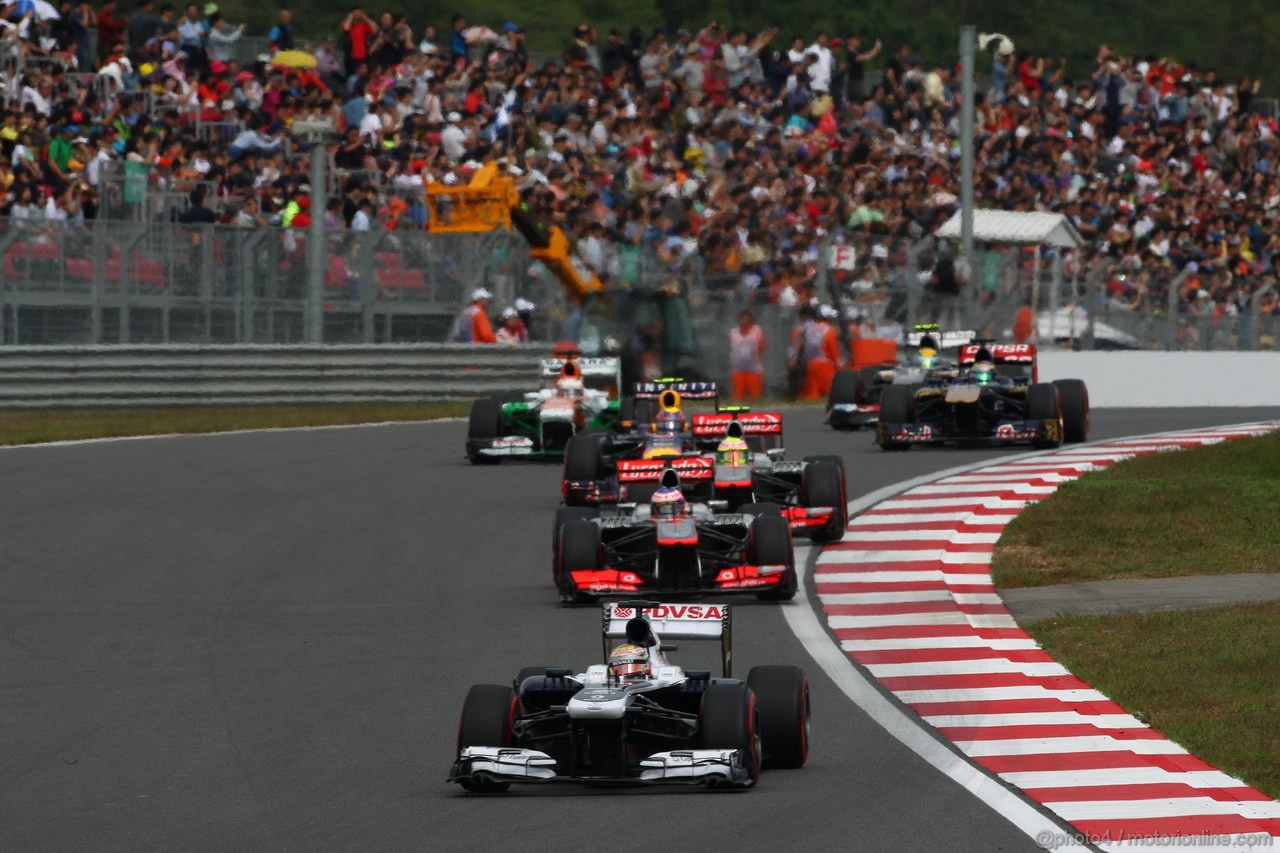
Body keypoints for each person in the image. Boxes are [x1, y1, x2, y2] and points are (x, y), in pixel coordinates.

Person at [728, 309, 765, 400]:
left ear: (751, 321)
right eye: (742, 320)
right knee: (737, 396)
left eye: (747, 321)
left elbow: (762, 346)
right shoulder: (734, 333)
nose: (744, 323)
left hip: (754, 368)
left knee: (754, 396)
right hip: (738, 368)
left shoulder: (757, 331)